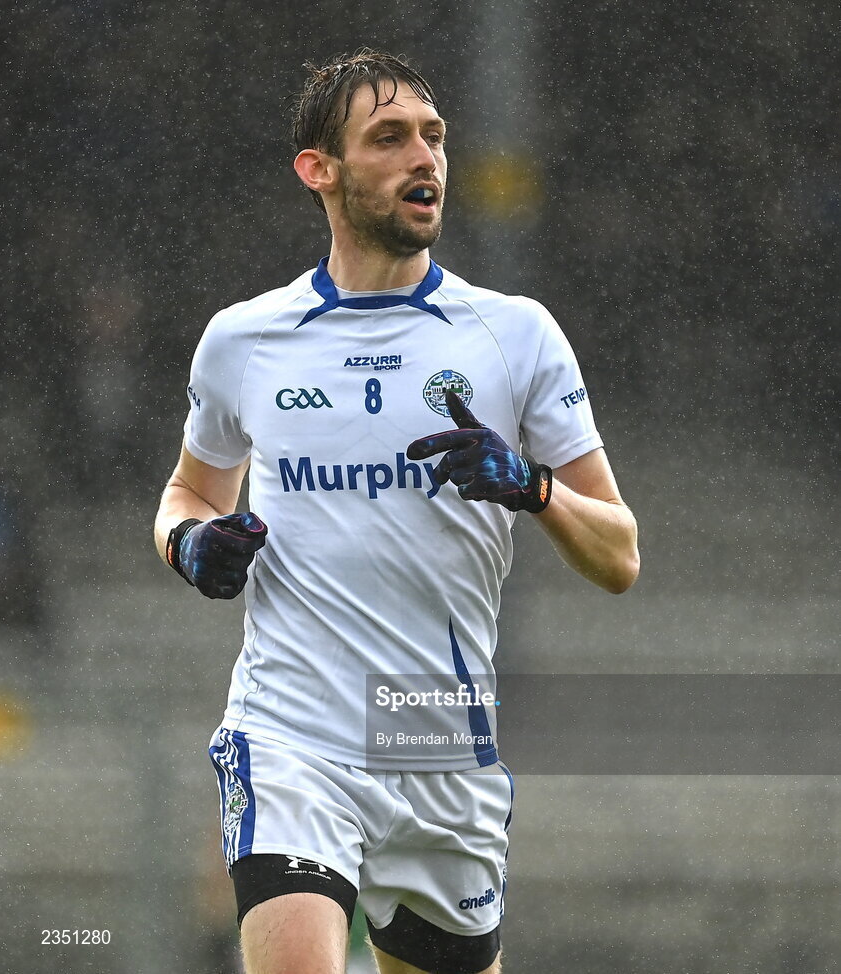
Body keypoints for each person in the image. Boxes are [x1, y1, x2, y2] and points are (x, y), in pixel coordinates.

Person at [154, 50, 639, 974]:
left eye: (435, 136)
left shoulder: (516, 333)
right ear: (319, 171)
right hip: (292, 725)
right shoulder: (244, 339)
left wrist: (535, 489)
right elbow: (188, 495)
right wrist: (190, 545)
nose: (425, 157)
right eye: (390, 138)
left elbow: (620, 556)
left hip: (432, 728)